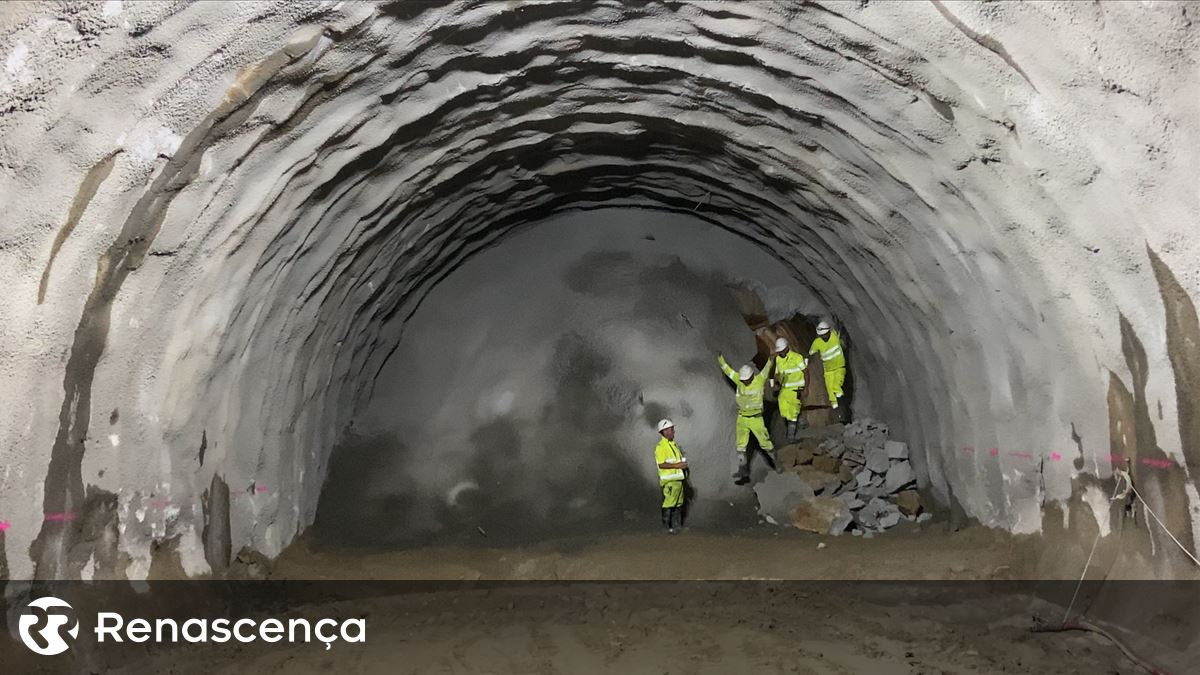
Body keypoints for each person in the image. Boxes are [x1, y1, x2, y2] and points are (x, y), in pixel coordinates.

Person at [717, 352, 775, 484]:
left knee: (764, 443)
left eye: (747, 380)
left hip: (756, 418)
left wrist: (771, 359)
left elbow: (767, 369)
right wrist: (721, 359)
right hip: (742, 417)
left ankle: (776, 463)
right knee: (740, 446)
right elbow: (728, 371)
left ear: (752, 377)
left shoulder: (759, 380)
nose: (745, 382)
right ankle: (743, 471)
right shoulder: (739, 380)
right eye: (743, 380)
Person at [809, 320, 848, 422]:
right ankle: (838, 415)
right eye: (822, 336)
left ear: (829, 332)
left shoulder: (835, 335)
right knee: (831, 393)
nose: (824, 337)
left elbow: (841, 331)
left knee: (836, 387)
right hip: (828, 371)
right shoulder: (817, 343)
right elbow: (810, 353)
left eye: (825, 335)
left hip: (839, 368)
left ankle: (844, 412)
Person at [654, 418, 688, 534]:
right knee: (669, 503)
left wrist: (682, 466)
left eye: (672, 429)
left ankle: (676, 527)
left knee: (678, 503)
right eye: (671, 429)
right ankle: (666, 528)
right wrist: (678, 465)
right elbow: (661, 464)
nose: (673, 431)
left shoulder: (673, 445)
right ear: (664, 431)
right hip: (670, 482)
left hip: (677, 480)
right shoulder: (661, 447)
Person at [772, 336, 808, 441]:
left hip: (796, 387)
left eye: (782, 350)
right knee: (784, 409)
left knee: (792, 411)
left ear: (787, 347)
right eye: (780, 351)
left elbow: (806, 372)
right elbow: (777, 373)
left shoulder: (797, 357)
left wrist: (806, 388)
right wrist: (776, 383)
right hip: (785, 389)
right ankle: (802, 421)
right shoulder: (778, 359)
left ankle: (791, 435)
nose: (781, 353)